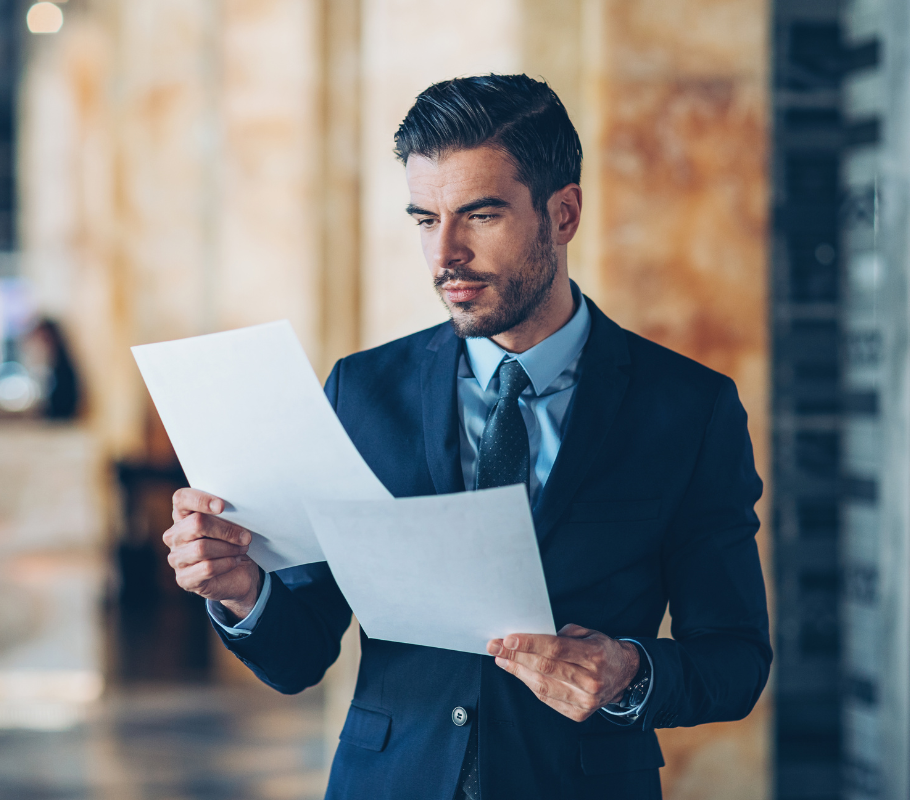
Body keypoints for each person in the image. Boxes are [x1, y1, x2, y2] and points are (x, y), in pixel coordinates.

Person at [162, 74, 771, 800]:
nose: (445, 253)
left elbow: (734, 660)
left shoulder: (686, 407)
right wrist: (243, 593)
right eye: (424, 219)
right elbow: (300, 655)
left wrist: (630, 674)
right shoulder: (362, 390)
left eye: (480, 216)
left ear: (564, 214)